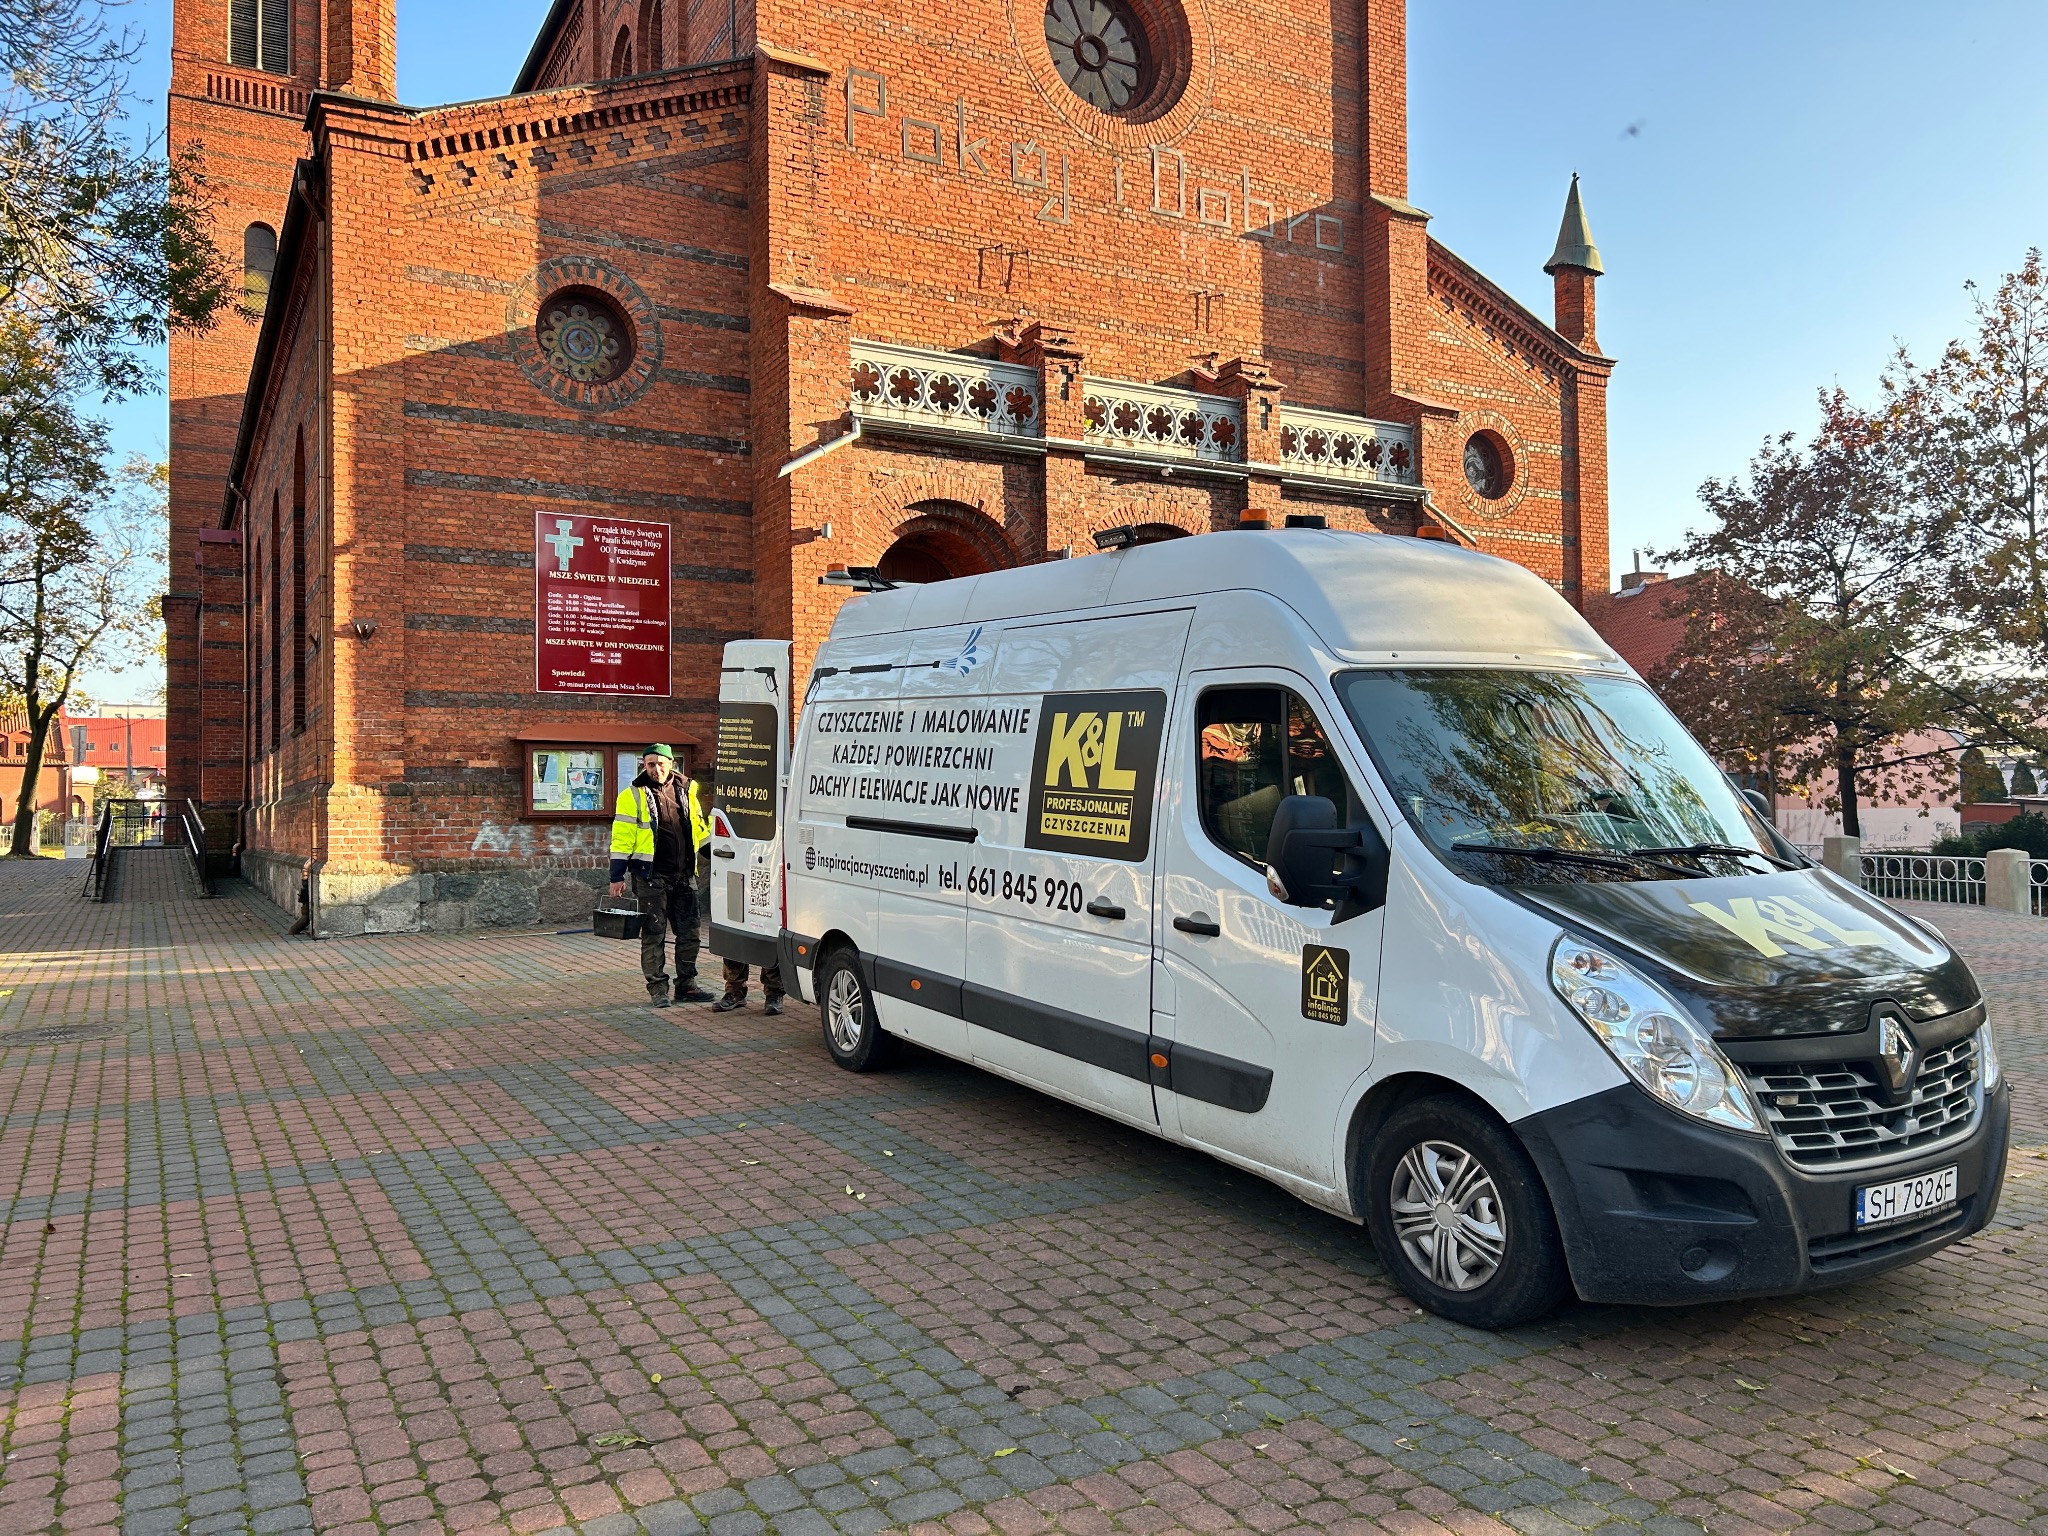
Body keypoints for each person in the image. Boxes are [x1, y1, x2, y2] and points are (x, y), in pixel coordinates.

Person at [608, 743, 711, 1007]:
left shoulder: (688, 790)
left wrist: (716, 854)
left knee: (690, 934)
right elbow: (621, 839)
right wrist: (616, 877)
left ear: (671, 763)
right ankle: (657, 988)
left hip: (684, 874)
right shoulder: (632, 795)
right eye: (650, 764)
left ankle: (686, 985)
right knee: (653, 934)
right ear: (644, 765)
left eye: (660, 763)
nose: (656, 769)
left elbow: (698, 826)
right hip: (651, 877)